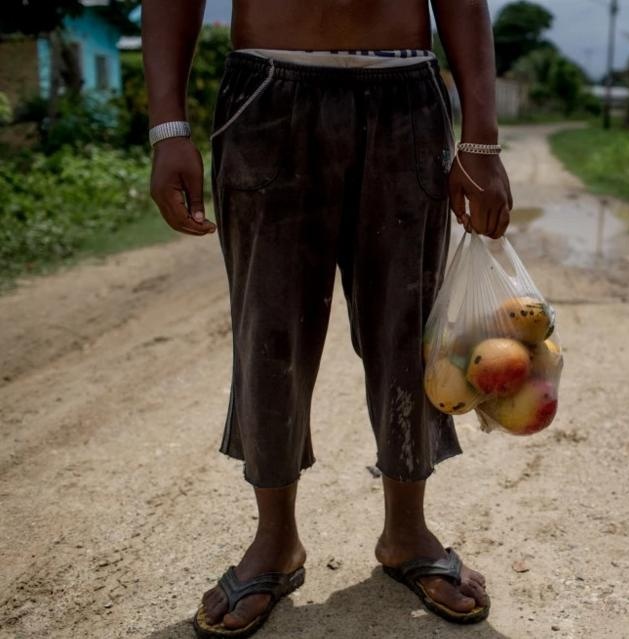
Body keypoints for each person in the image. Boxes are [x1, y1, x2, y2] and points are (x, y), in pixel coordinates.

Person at [142, 1, 512, 635]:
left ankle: (406, 533)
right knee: (270, 334)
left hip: (406, 97)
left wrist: (480, 138)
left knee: (409, 332)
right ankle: (276, 541)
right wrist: (167, 128)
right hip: (266, 94)